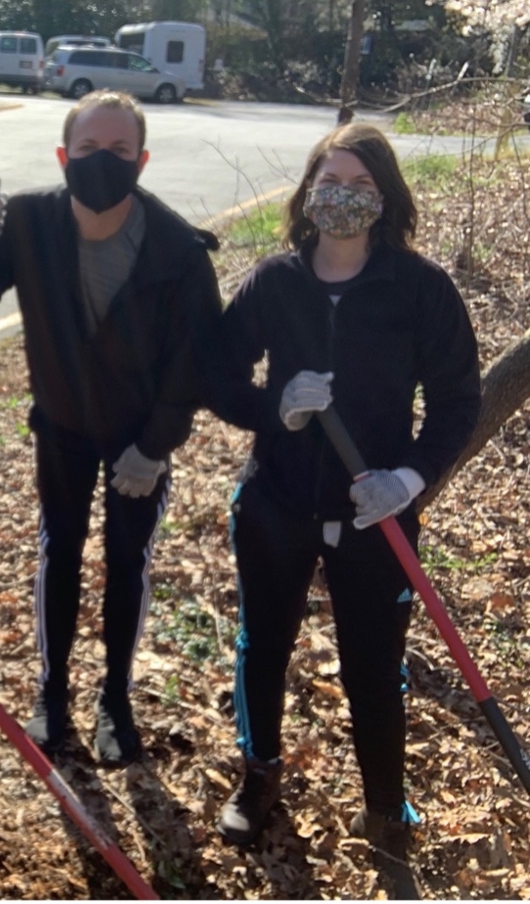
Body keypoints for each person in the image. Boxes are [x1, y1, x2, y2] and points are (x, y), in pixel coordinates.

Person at [199, 123, 480, 876]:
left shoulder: (418, 290)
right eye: (331, 181)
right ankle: (259, 774)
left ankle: (385, 800)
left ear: (385, 198)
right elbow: (219, 375)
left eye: (361, 186)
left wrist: (410, 479)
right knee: (265, 645)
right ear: (308, 192)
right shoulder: (275, 281)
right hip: (277, 504)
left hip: (374, 513)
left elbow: (459, 400)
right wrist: (274, 407)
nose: (344, 198)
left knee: (374, 659)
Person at [0, 90, 222, 766]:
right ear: (65, 156)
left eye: (119, 150)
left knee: (128, 564)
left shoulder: (178, 249)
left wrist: (155, 448)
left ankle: (115, 699)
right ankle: (53, 690)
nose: (104, 161)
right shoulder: (31, 222)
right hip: (62, 426)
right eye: (90, 149)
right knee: (58, 554)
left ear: (142, 159)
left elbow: (196, 363)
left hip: (138, 437)